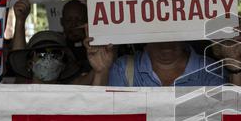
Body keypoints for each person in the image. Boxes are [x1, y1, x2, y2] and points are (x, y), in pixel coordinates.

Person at [89, 39, 224, 87]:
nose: (166, 42)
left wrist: (236, 65)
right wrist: (101, 72)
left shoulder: (209, 70)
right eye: (158, 33)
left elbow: (232, 117)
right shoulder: (123, 69)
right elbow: (103, 117)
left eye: (173, 32)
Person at [7, 31, 81, 84]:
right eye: (41, 53)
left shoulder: (70, 92)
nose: (48, 58)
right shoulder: (19, 92)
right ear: (30, 63)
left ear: (63, 65)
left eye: (55, 53)